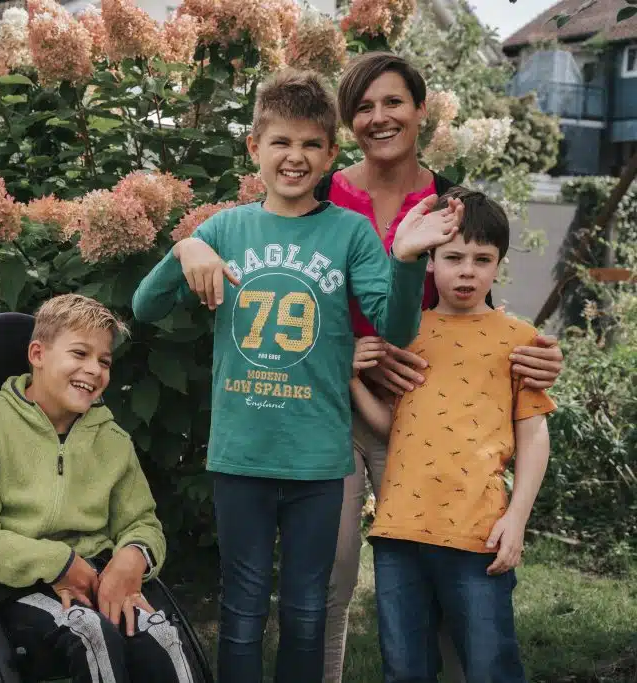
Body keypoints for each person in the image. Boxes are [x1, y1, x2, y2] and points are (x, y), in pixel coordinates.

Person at [131, 68, 464, 683]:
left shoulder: (350, 232)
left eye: (312, 144)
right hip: (242, 453)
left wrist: (406, 260)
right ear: (254, 147)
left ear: (332, 155)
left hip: (318, 458)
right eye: (281, 142)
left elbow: (395, 329)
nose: (296, 157)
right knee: (243, 608)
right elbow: (144, 308)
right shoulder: (226, 229)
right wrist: (185, 249)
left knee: (308, 612)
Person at [320, 52, 565, 683]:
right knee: (334, 580)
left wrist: (532, 351)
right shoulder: (324, 194)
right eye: (364, 106)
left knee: (457, 594)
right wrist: (341, 359)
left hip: (423, 407)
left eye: (394, 101)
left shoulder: (450, 204)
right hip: (336, 403)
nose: (380, 117)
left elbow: (477, 309)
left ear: (420, 109)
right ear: (350, 121)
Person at [349, 188, 554, 682]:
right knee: (404, 668)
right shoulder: (408, 333)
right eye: (453, 257)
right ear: (430, 262)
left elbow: (533, 434)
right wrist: (352, 380)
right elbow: (397, 431)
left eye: (481, 259)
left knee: (491, 665)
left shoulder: (518, 339)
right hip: (400, 533)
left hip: (478, 531)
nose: (467, 271)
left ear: (498, 265)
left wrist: (518, 518)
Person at [0, 293, 194, 683]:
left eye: (104, 361)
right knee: (90, 633)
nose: (93, 369)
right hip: (18, 582)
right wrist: (58, 563)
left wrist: (131, 558)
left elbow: (142, 522)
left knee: (159, 634)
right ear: (38, 354)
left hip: (98, 575)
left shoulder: (112, 439)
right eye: (79, 354)